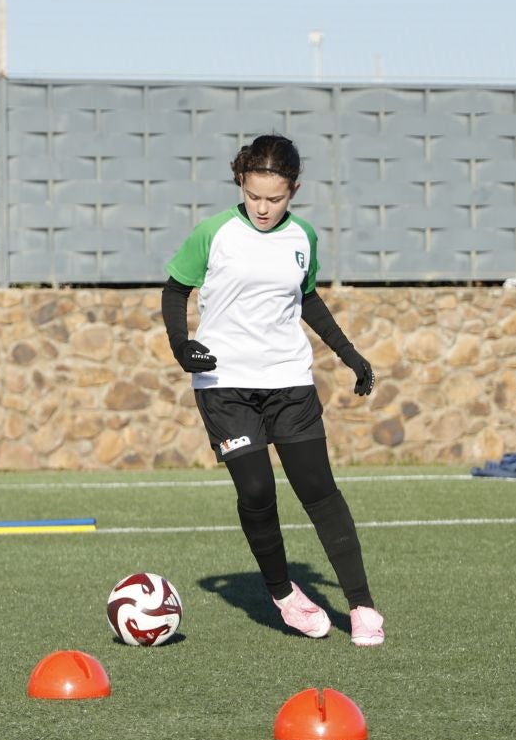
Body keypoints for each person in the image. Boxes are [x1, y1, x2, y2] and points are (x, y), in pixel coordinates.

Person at [160, 135, 384, 646]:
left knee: (318, 491)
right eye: (255, 196)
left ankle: (362, 605)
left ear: (294, 191)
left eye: (275, 198)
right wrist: (182, 344)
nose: (263, 208)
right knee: (257, 490)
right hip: (225, 386)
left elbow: (308, 301)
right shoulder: (214, 232)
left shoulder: (303, 237)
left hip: (289, 382)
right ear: (241, 182)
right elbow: (176, 289)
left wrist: (351, 355)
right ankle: (284, 593)